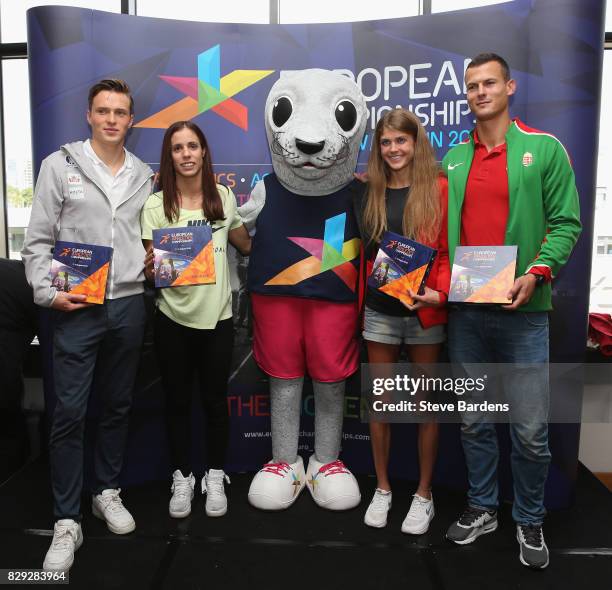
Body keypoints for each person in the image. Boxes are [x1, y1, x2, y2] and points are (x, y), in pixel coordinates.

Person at [443, 53, 581, 569]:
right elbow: (436, 232)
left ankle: (529, 516)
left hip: (524, 312)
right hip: (467, 314)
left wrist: (537, 272)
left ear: (511, 86)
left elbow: (567, 223)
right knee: (475, 422)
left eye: (489, 83)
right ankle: (483, 508)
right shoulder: (455, 160)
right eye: (472, 85)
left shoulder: (543, 150)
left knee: (529, 430)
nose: (480, 92)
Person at [22, 79, 154, 572]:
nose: (112, 120)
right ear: (89, 115)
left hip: (128, 305)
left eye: (121, 112)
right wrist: (50, 293)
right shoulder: (60, 166)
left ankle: (106, 491)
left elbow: (148, 239)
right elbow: (37, 242)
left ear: (131, 119)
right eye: (104, 111)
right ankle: (65, 519)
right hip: (76, 307)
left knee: (118, 405)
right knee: (70, 413)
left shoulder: (143, 173)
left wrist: (155, 261)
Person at [141, 121, 250, 520]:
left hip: (217, 320)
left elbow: (244, 242)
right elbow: (153, 270)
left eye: (192, 146)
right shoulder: (155, 205)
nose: (186, 154)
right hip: (172, 318)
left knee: (215, 403)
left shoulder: (221, 197)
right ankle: (183, 477)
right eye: (177, 148)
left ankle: (215, 476)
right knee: (177, 403)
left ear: (204, 152)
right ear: (169, 156)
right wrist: (151, 269)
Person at [353, 108, 449, 533]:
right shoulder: (367, 191)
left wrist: (438, 294)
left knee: (427, 405)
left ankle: (424, 494)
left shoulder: (440, 188)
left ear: (416, 142)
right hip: (381, 311)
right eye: (386, 142)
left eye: (401, 141)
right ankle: (384, 488)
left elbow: (446, 253)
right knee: (382, 405)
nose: (393, 149)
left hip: (425, 312)